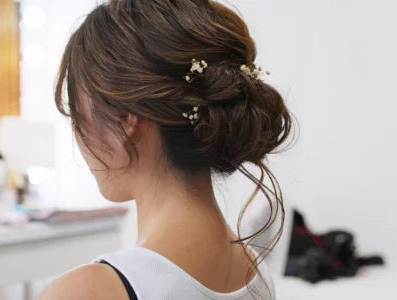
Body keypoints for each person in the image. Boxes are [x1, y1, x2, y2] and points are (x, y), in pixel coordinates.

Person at [41, 0, 292, 299]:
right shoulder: (257, 273)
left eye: (76, 113)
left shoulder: (88, 292)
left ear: (124, 120)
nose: (77, 134)